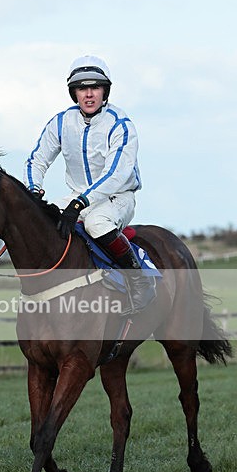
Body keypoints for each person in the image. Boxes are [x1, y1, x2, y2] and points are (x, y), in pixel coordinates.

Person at [24, 54, 156, 312]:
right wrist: (33, 188)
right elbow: (36, 161)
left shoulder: (121, 124)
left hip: (117, 197)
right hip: (77, 197)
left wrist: (80, 202)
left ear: (105, 90)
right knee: (40, 219)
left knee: (96, 223)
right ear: (74, 93)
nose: (89, 94)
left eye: (95, 87)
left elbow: (116, 173)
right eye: (82, 88)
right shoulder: (61, 122)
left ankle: (139, 282)